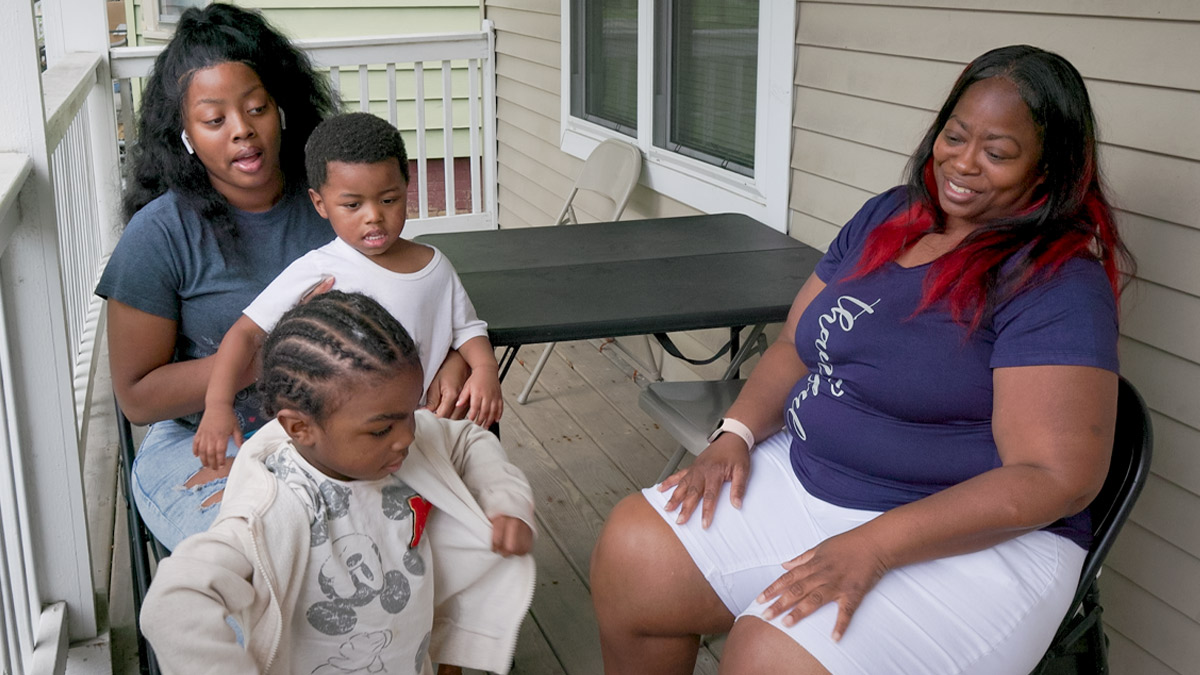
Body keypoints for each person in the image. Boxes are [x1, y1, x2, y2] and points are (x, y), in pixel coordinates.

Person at [590, 44, 1134, 675]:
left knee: (771, 659)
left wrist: (874, 545)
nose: (964, 163)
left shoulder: (1056, 281)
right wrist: (734, 432)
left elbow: (1052, 476)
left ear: (1048, 171)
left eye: (998, 152)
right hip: (811, 475)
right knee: (635, 555)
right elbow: (797, 344)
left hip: (970, 539)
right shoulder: (890, 215)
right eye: (955, 137)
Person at [95, 3, 469, 551]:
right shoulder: (160, 235)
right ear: (185, 134)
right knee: (266, 559)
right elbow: (138, 399)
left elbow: (428, 298)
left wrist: (454, 363)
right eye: (215, 119)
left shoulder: (339, 202)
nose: (243, 132)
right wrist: (269, 356)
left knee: (440, 541)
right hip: (210, 436)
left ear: (282, 109)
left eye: (256, 108)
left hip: (349, 427)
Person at [140, 291, 535, 675]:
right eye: (381, 429)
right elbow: (174, 600)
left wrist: (503, 501)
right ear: (299, 427)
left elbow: (468, 439)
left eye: (410, 413)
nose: (407, 437)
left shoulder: (398, 450)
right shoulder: (275, 510)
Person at [193, 112, 503, 471]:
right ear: (320, 203)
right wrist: (217, 405)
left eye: (388, 200)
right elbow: (245, 333)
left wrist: (484, 369)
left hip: (421, 434)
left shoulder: (434, 266)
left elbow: (466, 327)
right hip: (341, 445)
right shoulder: (319, 270)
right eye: (353, 205)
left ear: (407, 187)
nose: (373, 216)